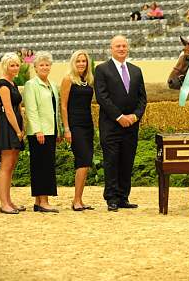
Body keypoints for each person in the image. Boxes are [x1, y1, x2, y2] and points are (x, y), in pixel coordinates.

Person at [94, 35, 147, 212]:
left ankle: (124, 197)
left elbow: (142, 98)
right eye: (118, 46)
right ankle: (112, 198)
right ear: (111, 48)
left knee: (126, 161)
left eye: (124, 46)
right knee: (112, 161)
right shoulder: (102, 70)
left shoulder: (136, 70)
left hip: (131, 126)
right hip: (111, 126)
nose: (121, 49)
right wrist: (119, 117)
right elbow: (102, 97)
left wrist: (135, 116)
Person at [23, 52, 61, 213]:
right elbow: (31, 109)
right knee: (41, 166)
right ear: (35, 67)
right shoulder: (31, 84)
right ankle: (44, 201)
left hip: (51, 131)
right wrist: (38, 129)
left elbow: (55, 110)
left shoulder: (52, 85)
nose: (45, 67)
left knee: (46, 165)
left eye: (47, 64)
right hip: (39, 132)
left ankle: (39, 202)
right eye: (41, 65)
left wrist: (57, 130)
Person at [60, 50, 95, 211]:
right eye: (78, 61)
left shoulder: (87, 80)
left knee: (86, 162)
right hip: (75, 125)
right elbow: (64, 105)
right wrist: (66, 128)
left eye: (84, 61)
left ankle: (79, 199)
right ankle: (76, 201)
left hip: (88, 125)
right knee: (83, 160)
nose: (82, 63)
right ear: (73, 63)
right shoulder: (68, 79)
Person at [0, 53, 25, 214]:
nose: (15, 67)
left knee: (12, 165)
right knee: (6, 165)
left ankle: (9, 201)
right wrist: (18, 130)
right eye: (12, 65)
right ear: (5, 66)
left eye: (17, 65)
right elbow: (8, 111)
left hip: (15, 125)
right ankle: (4, 203)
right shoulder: (3, 85)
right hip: (7, 126)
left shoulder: (13, 83)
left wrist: (22, 125)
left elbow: (18, 107)